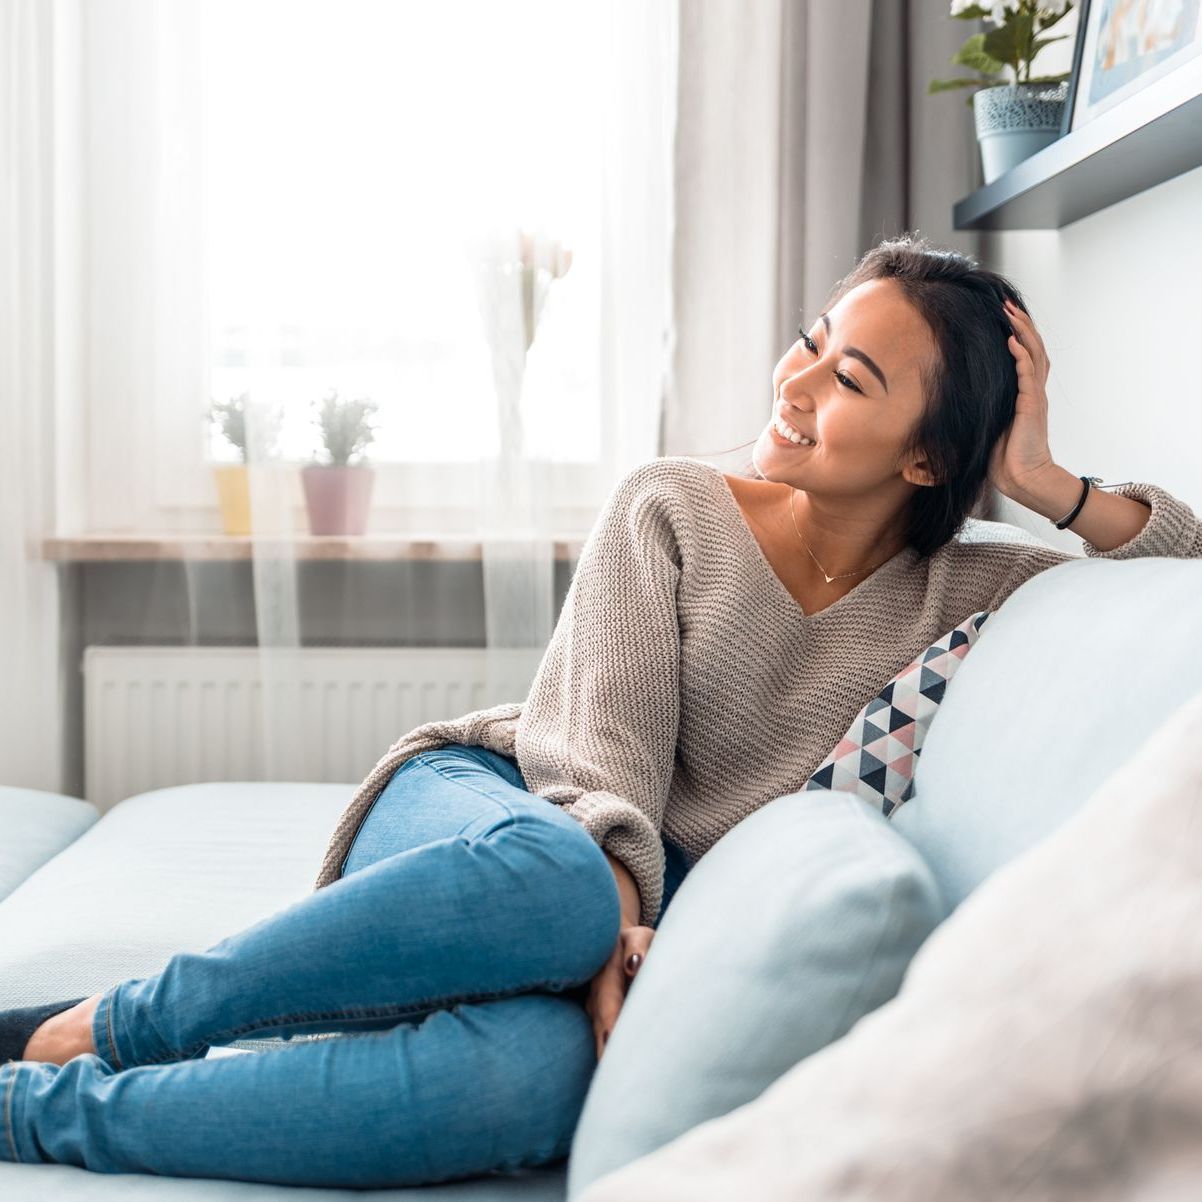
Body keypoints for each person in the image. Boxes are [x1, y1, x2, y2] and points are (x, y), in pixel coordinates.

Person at [3, 233, 1200, 1188]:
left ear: (930, 459)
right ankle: (119, 1018)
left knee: (526, 1092)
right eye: (810, 341)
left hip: (609, 914)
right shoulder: (671, 504)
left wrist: (1043, 479)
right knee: (562, 878)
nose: (792, 382)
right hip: (497, 814)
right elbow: (595, 757)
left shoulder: (976, 585)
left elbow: (1179, 562)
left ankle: (38, 1107)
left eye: (848, 378)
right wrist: (616, 924)